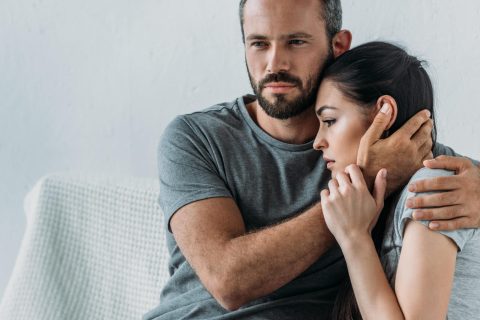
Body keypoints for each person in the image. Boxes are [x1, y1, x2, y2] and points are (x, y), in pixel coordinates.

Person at [144, 1, 480, 319]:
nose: (275, 63)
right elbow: (229, 281)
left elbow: (444, 185)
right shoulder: (195, 138)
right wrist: (362, 184)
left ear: (338, 46)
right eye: (259, 43)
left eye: (295, 41)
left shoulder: (395, 154)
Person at [315, 41, 480, 319]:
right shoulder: (389, 202)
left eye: (329, 121)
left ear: (384, 112)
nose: (318, 142)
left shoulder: (433, 187)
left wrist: (355, 239)